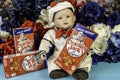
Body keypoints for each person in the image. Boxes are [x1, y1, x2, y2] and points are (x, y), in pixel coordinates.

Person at [39, 1, 92, 80]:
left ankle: (81, 70)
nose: (64, 20)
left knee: (85, 58)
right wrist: (43, 51)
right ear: (54, 22)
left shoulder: (79, 31)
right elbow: (45, 42)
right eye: (60, 18)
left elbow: (87, 41)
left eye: (68, 16)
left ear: (74, 18)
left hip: (76, 55)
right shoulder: (52, 33)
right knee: (53, 60)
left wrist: (89, 49)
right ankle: (56, 70)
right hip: (59, 56)